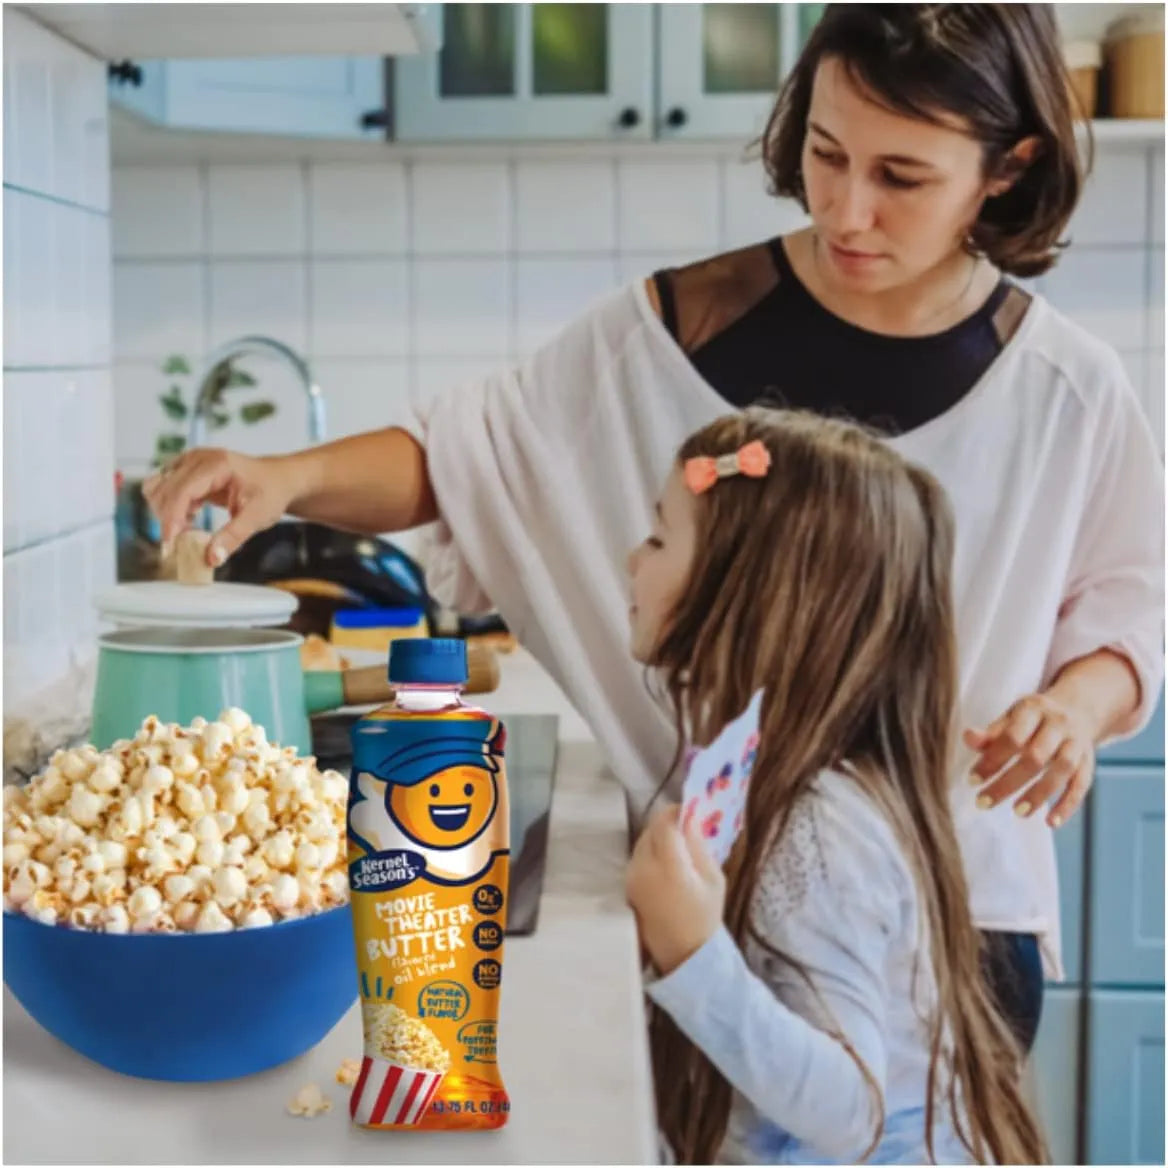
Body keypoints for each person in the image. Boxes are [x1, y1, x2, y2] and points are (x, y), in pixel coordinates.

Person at [143, 4, 1164, 1054]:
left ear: (1008, 166)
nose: (847, 210)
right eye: (824, 153)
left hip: (954, 925)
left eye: (901, 178)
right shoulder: (681, 325)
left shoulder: (1067, 392)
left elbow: (1128, 622)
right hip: (711, 918)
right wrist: (284, 474)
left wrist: (1074, 708)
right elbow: (469, 454)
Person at [623, 408, 1045, 1165]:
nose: (632, 560)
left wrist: (689, 950)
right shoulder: (776, 777)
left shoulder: (817, 830)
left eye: (658, 537)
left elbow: (850, 1110)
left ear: (750, 592)